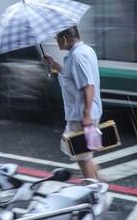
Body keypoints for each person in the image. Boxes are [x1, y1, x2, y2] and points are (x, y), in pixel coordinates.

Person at [44, 26, 106, 182]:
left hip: (81, 114)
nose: (56, 41)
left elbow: (88, 85)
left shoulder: (78, 56)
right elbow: (73, 76)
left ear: (64, 39)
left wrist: (86, 115)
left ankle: (92, 191)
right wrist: (54, 64)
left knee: (81, 155)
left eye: (56, 38)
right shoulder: (85, 50)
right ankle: (100, 180)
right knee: (84, 152)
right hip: (84, 111)